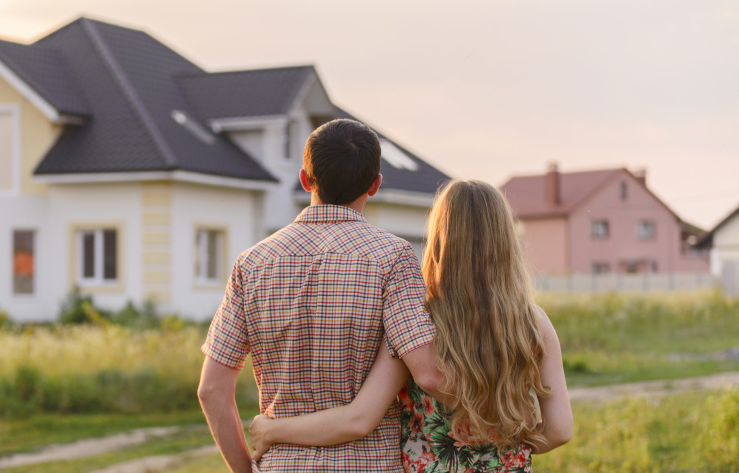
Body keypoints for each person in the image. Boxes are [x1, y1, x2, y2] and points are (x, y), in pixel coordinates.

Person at [248, 179, 574, 472]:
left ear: (439, 240)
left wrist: (272, 429)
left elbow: (358, 419)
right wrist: (502, 453)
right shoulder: (534, 323)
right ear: (505, 241)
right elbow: (560, 430)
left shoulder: (414, 320)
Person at [198, 119, 448, 472]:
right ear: (375, 185)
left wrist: (245, 469)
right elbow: (430, 375)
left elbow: (211, 391)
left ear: (304, 179)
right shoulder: (393, 258)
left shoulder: (251, 264)